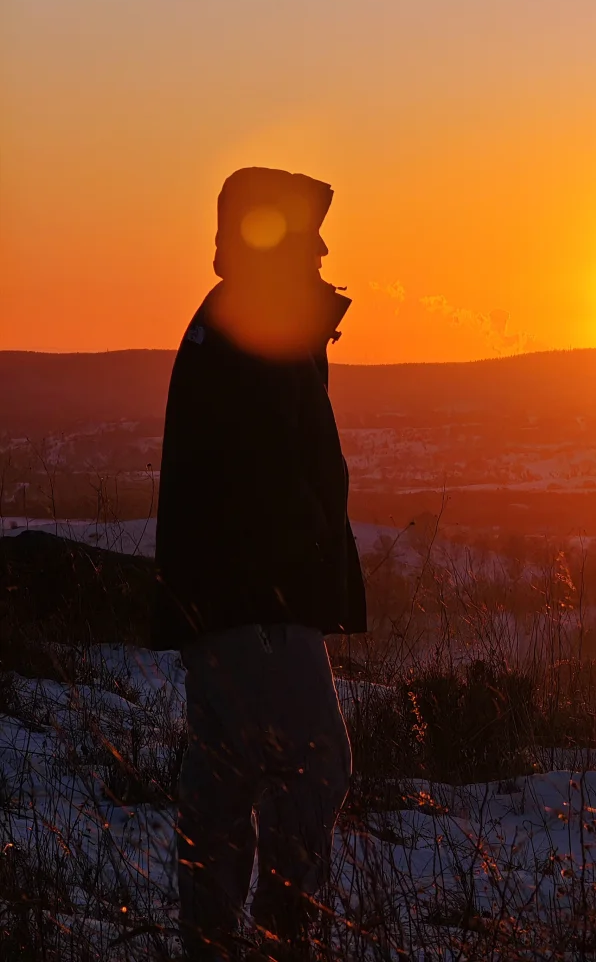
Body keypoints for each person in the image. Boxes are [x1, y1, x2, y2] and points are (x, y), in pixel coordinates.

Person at [154, 168, 367, 961]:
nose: (321, 251)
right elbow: (272, 478)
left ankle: (213, 944)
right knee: (315, 767)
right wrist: (299, 578)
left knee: (226, 779)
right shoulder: (257, 325)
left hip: (230, 602)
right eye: (306, 237)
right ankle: (284, 943)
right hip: (258, 604)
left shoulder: (241, 322)